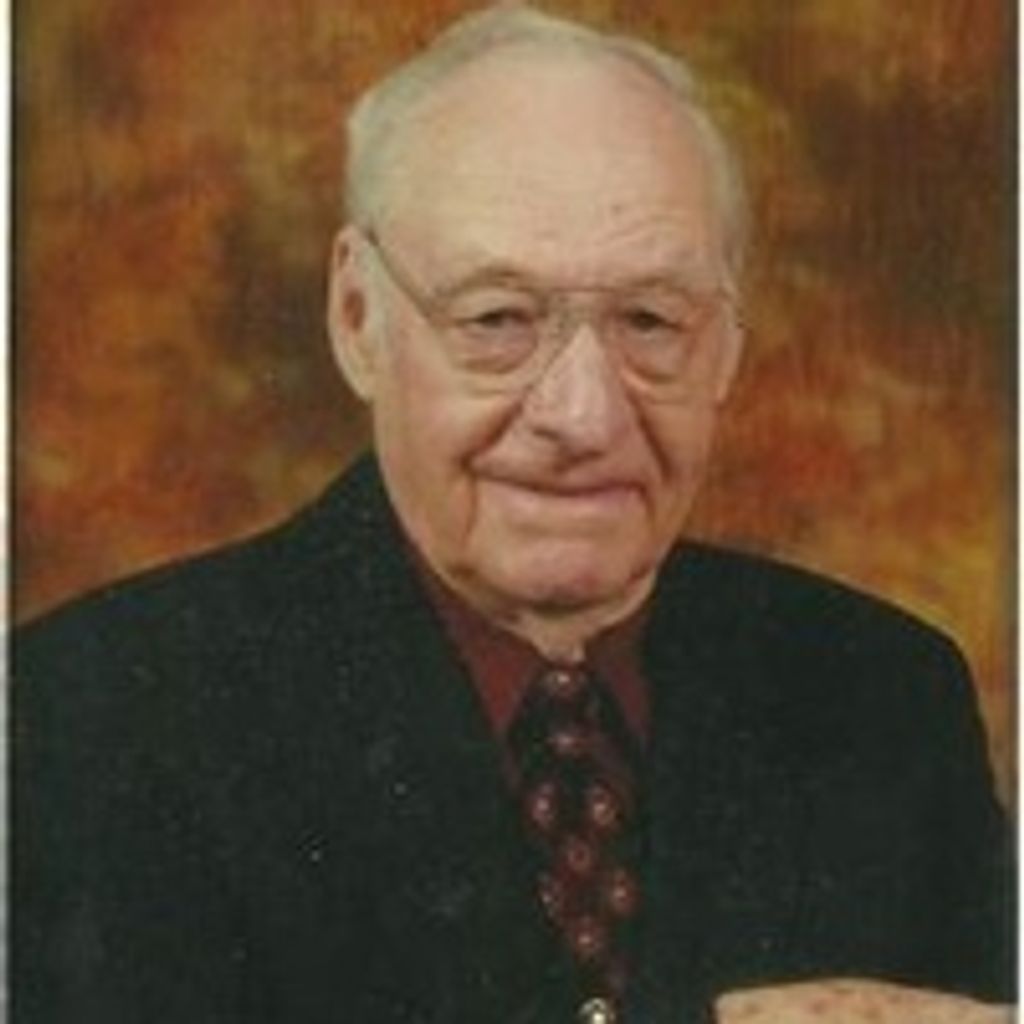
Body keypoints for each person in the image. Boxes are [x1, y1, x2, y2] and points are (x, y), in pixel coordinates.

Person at [12, 6, 1013, 1023]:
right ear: (358, 318)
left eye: (649, 321)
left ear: (726, 342)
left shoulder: (887, 698)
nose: (584, 416)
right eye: (498, 319)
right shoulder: (81, 720)